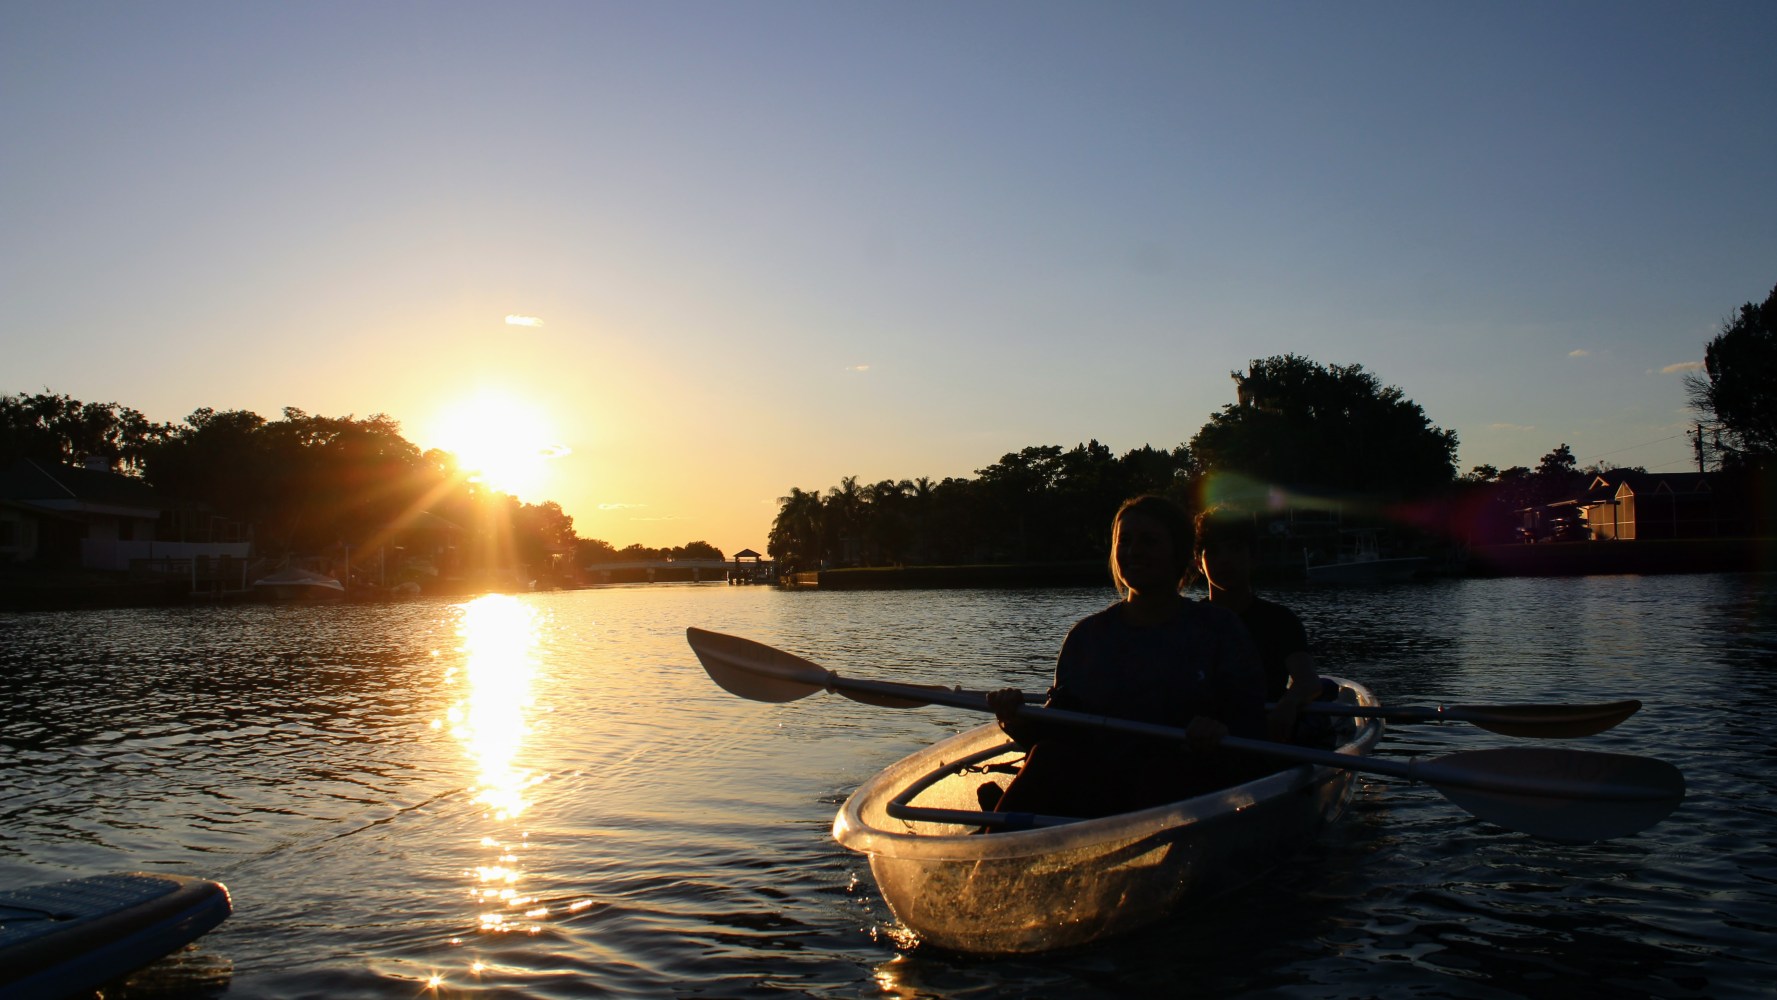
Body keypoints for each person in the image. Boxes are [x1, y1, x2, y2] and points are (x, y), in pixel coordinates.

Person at [983, 495, 1267, 821]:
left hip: (1181, 789)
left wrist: (1220, 728)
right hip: (1099, 789)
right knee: (1048, 757)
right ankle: (991, 853)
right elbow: (1060, 731)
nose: (1134, 551)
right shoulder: (1087, 637)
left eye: (1149, 541)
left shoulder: (1219, 630)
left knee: (1164, 771)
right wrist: (1015, 718)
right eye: (1125, 540)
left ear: (1178, 553)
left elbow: (1250, 722)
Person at [1193, 506, 1336, 747]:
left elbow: (1307, 681)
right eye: (1214, 551)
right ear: (1199, 562)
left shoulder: (1279, 620)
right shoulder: (1188, 621)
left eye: (1235, 549)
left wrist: (1289, 704)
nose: (1224, 560)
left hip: (1263, 737)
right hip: (1201, 738)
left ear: (1254, 558)